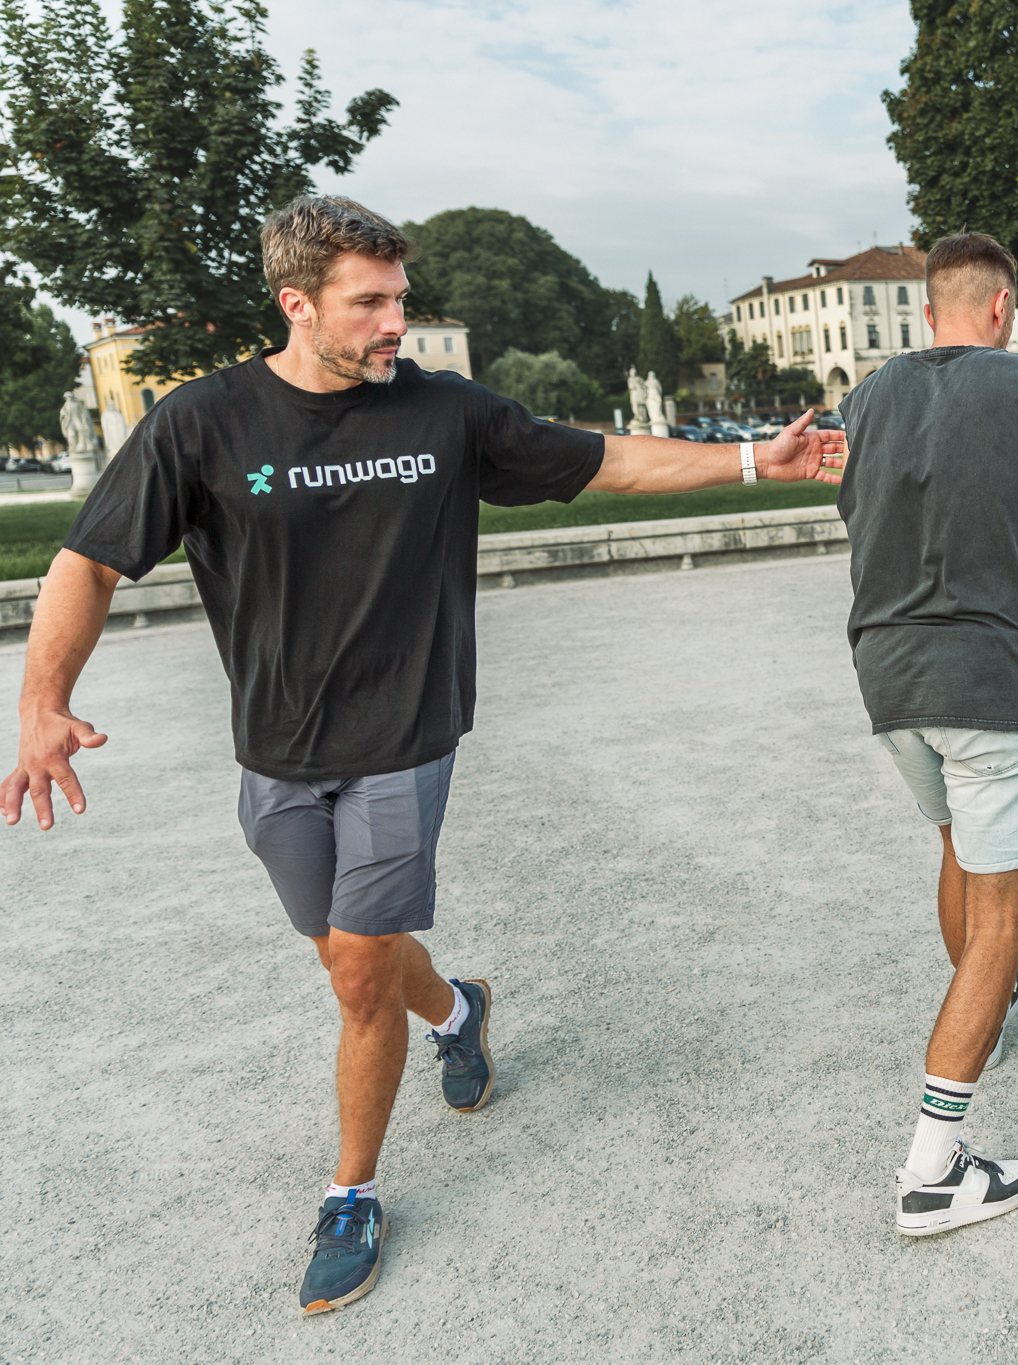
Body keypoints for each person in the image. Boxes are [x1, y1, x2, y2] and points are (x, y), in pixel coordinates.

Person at [1, 195, 844, 1313]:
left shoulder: (445, 412)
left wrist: (753, 462)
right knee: (342, 947)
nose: (396, 321)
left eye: (400, 298)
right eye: (370, 303)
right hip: (276, 749)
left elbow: (609, 462)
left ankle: (351, 1192)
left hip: (405, 734)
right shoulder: (202, 424)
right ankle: (455, 1012)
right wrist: (43, 700)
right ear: (298, 304)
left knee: (358, 971)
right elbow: (91, 561)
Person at [836, 231, 1018, 1236]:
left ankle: (982, 1020)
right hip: (987, 672)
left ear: (928, 306)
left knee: (957, 846)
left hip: (889, 674)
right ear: (1000, 307)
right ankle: (932, 1170)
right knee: (1000, 921)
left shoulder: (868, 395)